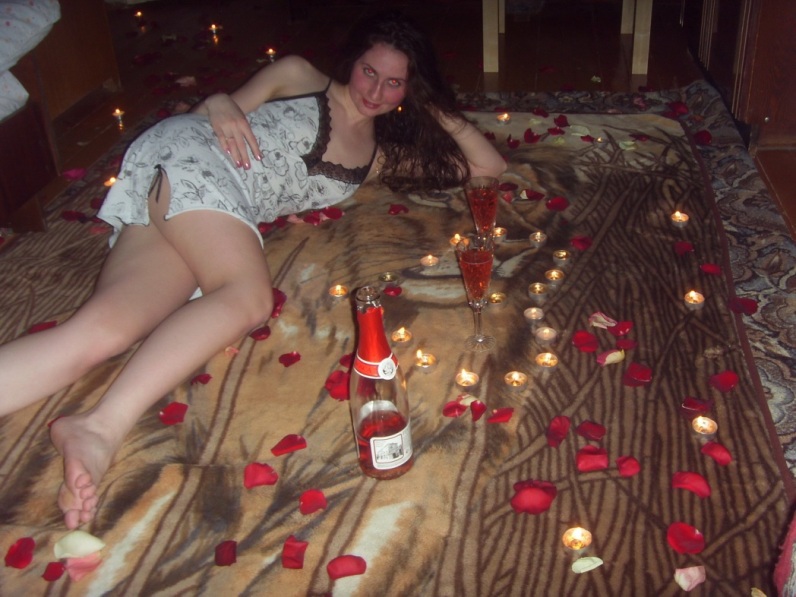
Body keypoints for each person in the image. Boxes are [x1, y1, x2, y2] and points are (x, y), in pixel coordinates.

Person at [0, 11, 506, 529]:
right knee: (247, 297)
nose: (374, 91)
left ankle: (87, 427)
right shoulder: (301, 76)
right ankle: (100, 428)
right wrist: (219, 102)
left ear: (409, 89)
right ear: (352, 62)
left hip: (200, 205)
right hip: (194, 160)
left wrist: (433, 106)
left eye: (394, 82)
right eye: (368, 71)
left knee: (104, 329)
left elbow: (488, 167)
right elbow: (209, 115)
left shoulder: (377, 158)